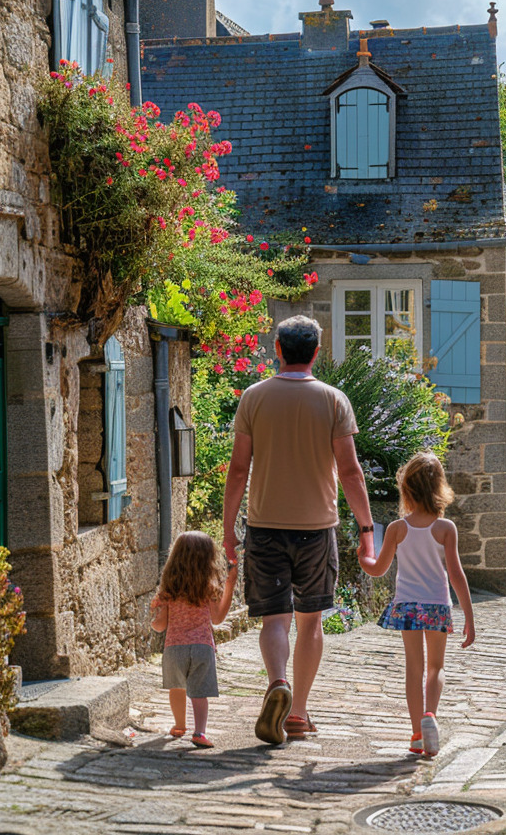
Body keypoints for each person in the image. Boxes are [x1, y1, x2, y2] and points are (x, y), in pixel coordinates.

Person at [223, 315, 376, 745]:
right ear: (317, 351)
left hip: (264, 525)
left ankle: (277, 684)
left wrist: (228, 529)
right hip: (316, 528)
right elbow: (350, 471)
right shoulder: (333, 401)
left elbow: (238, 470)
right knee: (310, 624)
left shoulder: (254, 398)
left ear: (276, 348)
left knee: (275, 619)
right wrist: (366, 529)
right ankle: (299, 714)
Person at [359, 452, 476, 757]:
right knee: (436, 667)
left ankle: (415, 735)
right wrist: (470, 618)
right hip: (437, 605)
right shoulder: (446, 529)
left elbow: (379, 569)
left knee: (414, 667)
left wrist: (364, 557)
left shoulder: (398, 529)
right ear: (439, 487)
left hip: (408, 606)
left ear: (406, 489)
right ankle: (430, 716)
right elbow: (456, 574)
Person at [150, 531, 239, 748]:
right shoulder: (208, 589)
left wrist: (154, 614)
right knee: (199, 694)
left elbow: (159, 626)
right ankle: (199, 732)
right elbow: (217, 619)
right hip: (202, 648)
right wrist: (230, 586)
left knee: (177, 688)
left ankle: (180, 725)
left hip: (174, 648)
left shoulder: (168, 591)